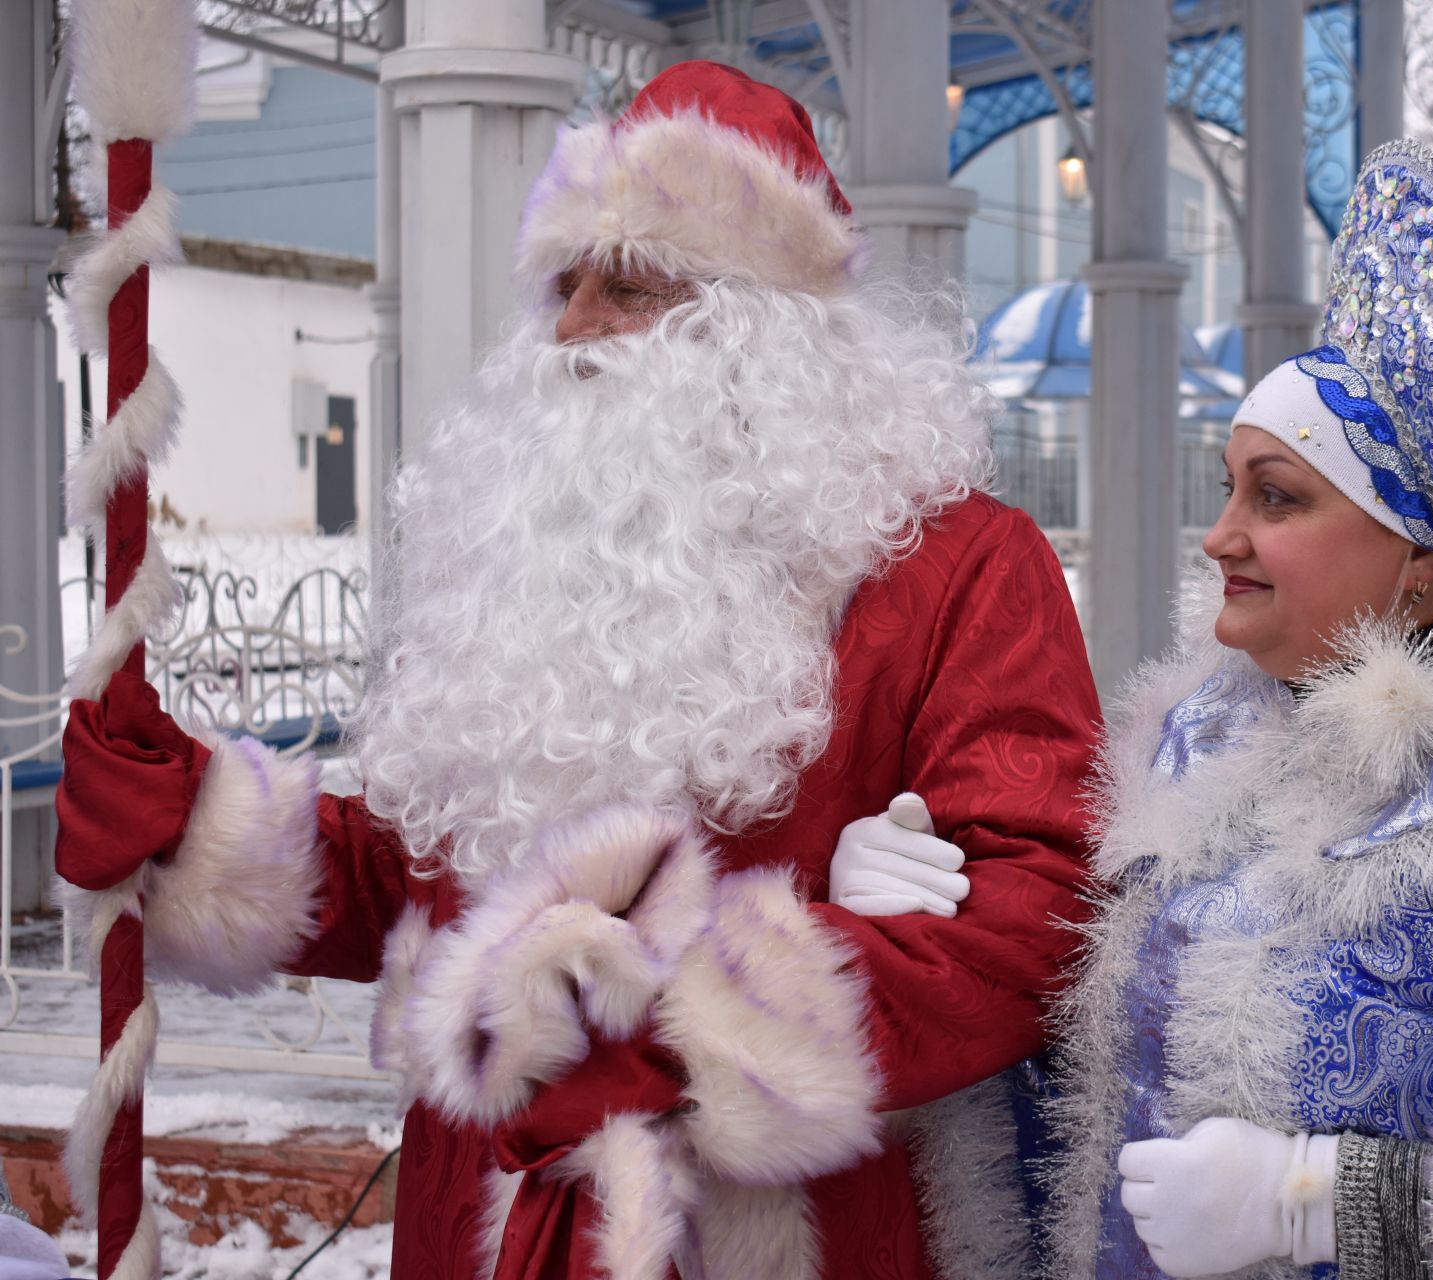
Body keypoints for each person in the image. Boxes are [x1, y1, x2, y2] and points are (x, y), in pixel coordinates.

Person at [54, 61, 1100, 1278]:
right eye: (563, 282)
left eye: (630, 284)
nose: (574, 326)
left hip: (780, 1235)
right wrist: (194, 827)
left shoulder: (959, 566)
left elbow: (1036, 909)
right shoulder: (539, 561)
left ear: (758, 325)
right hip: (487, 1220)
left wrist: (687, 1025)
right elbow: (419, 877)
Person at [869, 139, 1433, 1279]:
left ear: (1414, 550)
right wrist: (929, 922)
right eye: (1228, 486)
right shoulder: (1189, 747)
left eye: (1278, 497)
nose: (1221, 535)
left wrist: (1320, 1201)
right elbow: (1097, 1100)